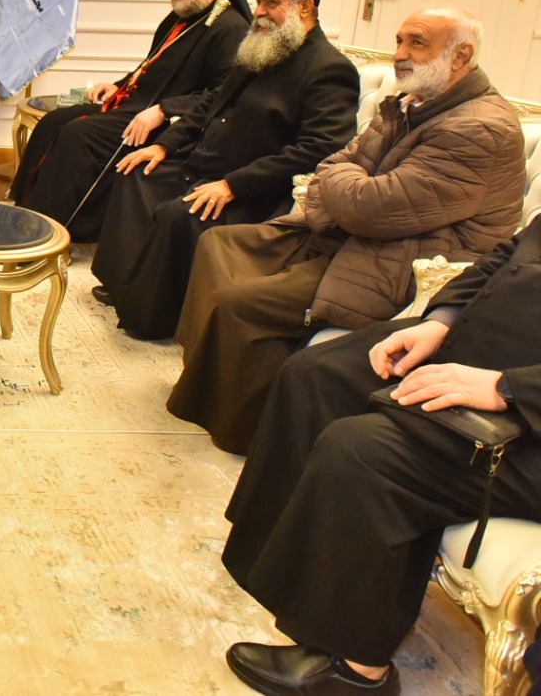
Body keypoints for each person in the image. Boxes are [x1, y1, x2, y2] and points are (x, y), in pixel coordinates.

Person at [168, 8, 524, 453]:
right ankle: (213, 381)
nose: (400, 54)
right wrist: (346, 191)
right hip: (354, 236)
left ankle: (246, 429)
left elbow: (368, 206)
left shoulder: (478, 128)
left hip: (404, 263)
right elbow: (334, 166)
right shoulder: (411, 102)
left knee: (240, 303)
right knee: (219, 243)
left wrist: (344, 191)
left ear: (461, 56)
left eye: (416, 43)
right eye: (398, 41)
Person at [219, 219, 541, 696]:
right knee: (316, 376)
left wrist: (506, 388)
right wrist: (441, 320)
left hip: (526, 410)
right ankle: (279, 567)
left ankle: (355, 669)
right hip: (484, 358)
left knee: (364, 450)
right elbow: (506, 255)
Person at [89, 0, 360, 341]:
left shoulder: (329, 69)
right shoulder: (262, 47)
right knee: (137, 171)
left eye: (271, 3)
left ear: (305, 7)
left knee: (180, 213)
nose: (260, 12)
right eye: (258, 2)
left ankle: (153, 313)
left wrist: (233, 185)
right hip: (206, 162)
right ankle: (126, 282)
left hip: (256, 187)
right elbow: (211, 103)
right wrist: (164, 145)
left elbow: (319, 148)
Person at [10, 0, 251, 241]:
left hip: (170, 123)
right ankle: (24, 214)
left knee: (77, 135)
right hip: (134, 106)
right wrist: (118, 85)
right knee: (52, 122)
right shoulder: (179, 19)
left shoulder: (231, 28)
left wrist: (164, 110)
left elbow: (222, 93)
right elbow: (150, 66)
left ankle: (49, 234)